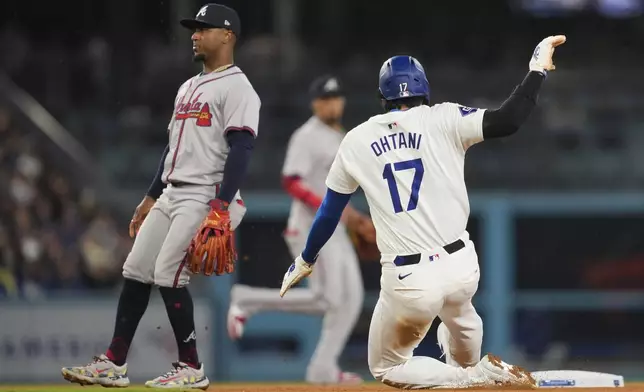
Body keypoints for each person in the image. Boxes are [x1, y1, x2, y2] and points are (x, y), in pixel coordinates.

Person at [280, 35, 567, 389]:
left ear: (383, 97)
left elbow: (328, 211)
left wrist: (306, 259)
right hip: (462, 267)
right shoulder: (444, 117)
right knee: (461, 319)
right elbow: (508, 119)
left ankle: (475, 374)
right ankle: (472, 366)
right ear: (424, 90)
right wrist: (536, 69)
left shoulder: (355, 140)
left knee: (386, 366)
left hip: (410, 279)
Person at [61, 4, 260, 389]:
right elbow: (171, 149)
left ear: (227, 36)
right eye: (193, 28)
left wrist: (221, 205)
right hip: (172, 192)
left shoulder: (239, 87)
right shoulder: (187, 87)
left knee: (168, 272)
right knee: (136, 269)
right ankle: (114, 364)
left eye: (203, 28)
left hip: (205, 194)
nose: (195, 34)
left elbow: (242, 149)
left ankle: (191, 368)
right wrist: (150, 196)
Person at [228, 75, 375, 385]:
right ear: (315, 103)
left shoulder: (340, 136)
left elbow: (335, 191)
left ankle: (322, 367)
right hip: (309, 227)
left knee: (352, 298)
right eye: (325, 98)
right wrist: (330, 209)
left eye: (336, 97)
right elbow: (292, 181)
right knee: (327, 299)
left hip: (333, 227)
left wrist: (354, 217)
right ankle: (246, 299)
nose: (332, 103)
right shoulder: (306, 135)